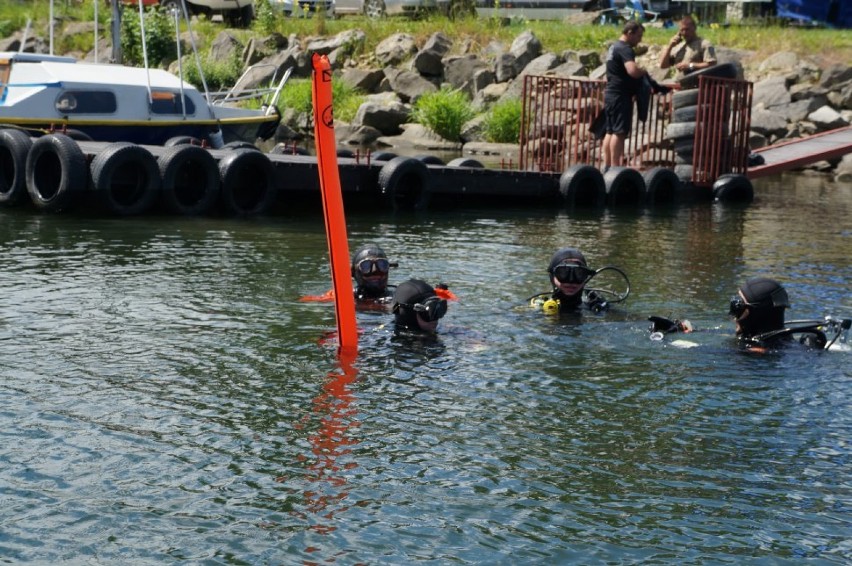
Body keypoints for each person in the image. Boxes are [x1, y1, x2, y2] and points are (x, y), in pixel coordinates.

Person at [602, 20, 649, 171]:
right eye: (639, 36)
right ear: (630, 33)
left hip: (610, 94)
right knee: (619, 131)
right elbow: (632, 71)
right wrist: (644, 70)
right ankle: (616, 167)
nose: (640, 39)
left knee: (610, 131)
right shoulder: (625, 49)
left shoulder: (613, 47)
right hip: (620, 95)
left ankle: (607, 166)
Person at [530, 247, 621, 315]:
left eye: (579, 274)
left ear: (586, 277)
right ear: (552, 276)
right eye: (563, 273)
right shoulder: (537, 308)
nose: (571, 281)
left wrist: (605, 309)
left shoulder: (597, 307)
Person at [659, 15, 717, 81]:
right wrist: (670, 46)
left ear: (694, 28)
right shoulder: (679, 46)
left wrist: (690, 65)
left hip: (695, 85)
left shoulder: (704, 44)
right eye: (682, 30)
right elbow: (663, 65)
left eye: (687, 29)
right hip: (677, 83)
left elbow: (712, 64)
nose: (684, 33)